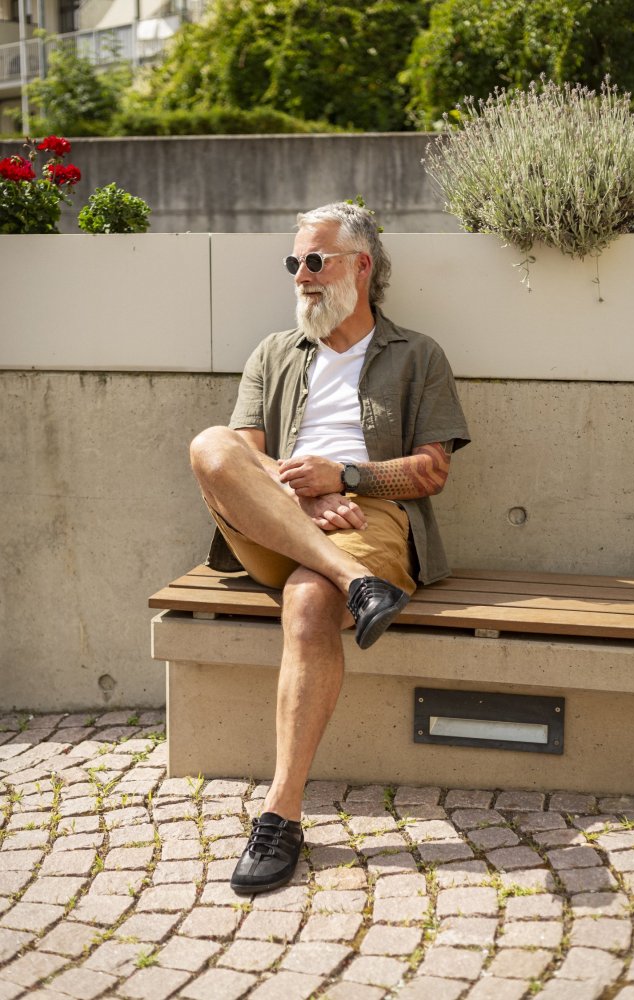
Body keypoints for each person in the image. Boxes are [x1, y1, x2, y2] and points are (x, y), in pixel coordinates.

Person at [189, 201, 470, 894]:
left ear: (361, 266)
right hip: (278, 511)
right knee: (209, 444)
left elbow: (430, 472)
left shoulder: (418, 354)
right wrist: (305, 497)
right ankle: (358, 583)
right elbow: (242, 461)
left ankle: (280, 815)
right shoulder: (273, 352)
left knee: (311, 604)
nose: (302, 277)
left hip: (366, 516)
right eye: (294, 263)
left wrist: (343, 476)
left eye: (315, 261)